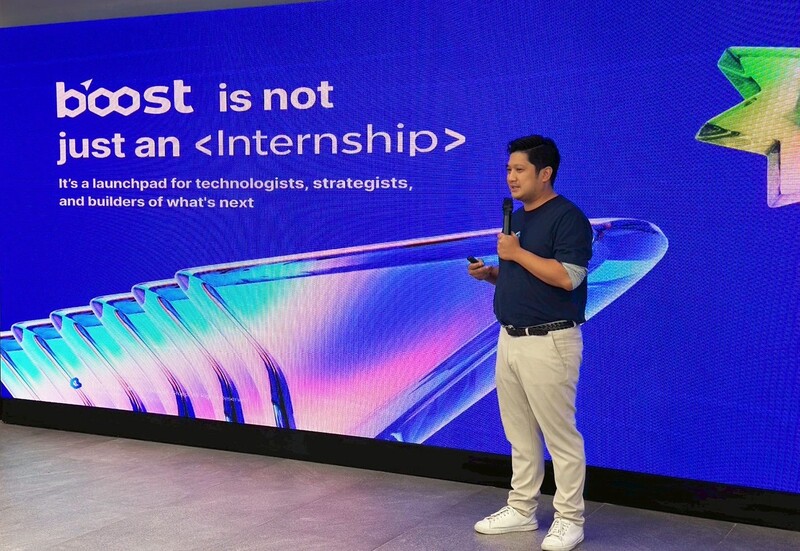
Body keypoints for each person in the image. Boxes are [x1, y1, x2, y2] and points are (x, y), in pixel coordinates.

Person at [469, 135, 592, 551]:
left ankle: (569, 519)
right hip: (510, 340)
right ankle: (521, 509)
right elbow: (527, 278)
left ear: (545, 173)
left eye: (519, 169)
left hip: (549, 341)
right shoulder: (517, 219)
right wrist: (493, 273)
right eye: (508, 169)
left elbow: (568, 277)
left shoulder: (568, 217)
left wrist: (517, 254)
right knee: (519, 434)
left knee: (560, 437)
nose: (511, 177)